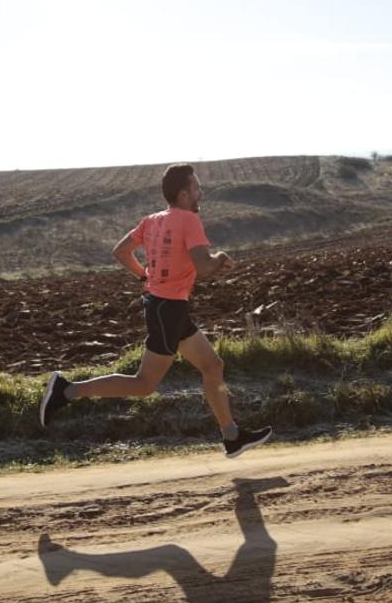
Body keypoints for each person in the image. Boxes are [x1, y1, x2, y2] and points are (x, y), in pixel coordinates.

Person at [40, 163, 272, 458]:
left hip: (167, 307)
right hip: (168, 311)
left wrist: (143, 276)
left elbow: (121, 251)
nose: (201, 193)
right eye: (196, 188)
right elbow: (203, 268)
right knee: (144, 384)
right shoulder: (189, 221)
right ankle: (66, 390)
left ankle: (232, 436)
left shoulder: (151, 220)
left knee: (213, 366)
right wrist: (221, 257)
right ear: (184, 195)